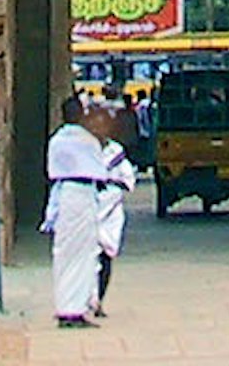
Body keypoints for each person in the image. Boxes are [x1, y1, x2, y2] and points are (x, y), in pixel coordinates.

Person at [45, 93, 119, 329]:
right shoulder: (86, 140)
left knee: (64, 252)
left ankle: (65, 306)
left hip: (64, 194)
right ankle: (74, 309)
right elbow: (101, 169)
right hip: (83, 194)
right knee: (84, 253)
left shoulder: (57, 140)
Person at [92, 118, 139, 316]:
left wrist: (109, 181)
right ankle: (87, 299)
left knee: (106, 255)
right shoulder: (85, 151)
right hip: (89, 208)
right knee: (88, 257)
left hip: (110, 212)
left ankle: (99, 300)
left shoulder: (116, 153)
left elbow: (128, 181)